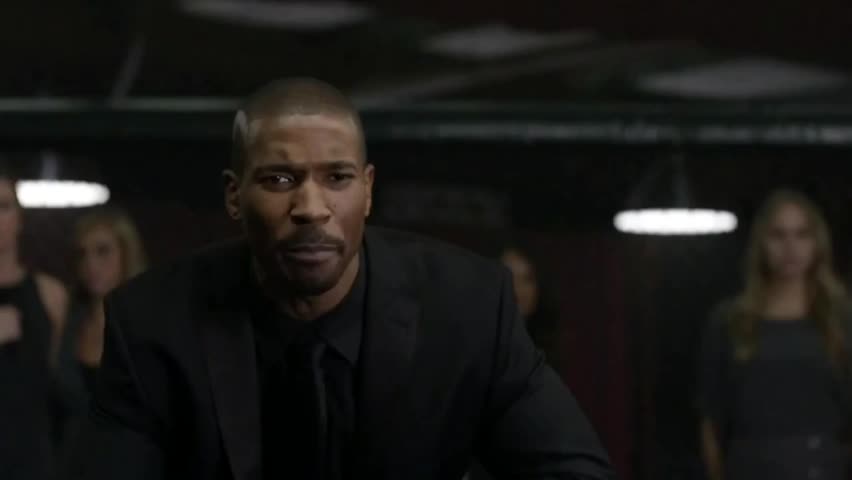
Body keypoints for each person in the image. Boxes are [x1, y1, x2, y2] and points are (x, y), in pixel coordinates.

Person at [74, 78, 614, 480]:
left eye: (337, 177)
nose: (311, 207)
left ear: (368, 190)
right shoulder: (153, 324)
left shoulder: (467, 307)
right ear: (234, 196)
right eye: (279, 179)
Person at [699, 190, 852, 480]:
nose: (790, 247)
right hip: (748, 466)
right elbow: (711, 417)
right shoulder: (730, 321)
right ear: (762, 243)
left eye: (801, 234)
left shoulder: (842, 319)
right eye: (778, 235)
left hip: (824, 465)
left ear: (817, 242)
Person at [53, 208, 146, 467]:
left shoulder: (148, 323)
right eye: (82, 254)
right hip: (70, 464)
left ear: (126, 253)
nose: (91, 264)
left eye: (103, 251)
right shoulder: (68, 322)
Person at [0, 165, 68, 480]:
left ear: (19, 218)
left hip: (34, 461)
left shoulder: (50, 294)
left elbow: (61, 386)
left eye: (3, 206)